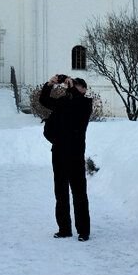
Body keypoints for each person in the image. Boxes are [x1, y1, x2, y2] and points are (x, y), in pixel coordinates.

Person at [39, 73, 93, 241]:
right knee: (60, 193)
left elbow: (77, 104)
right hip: (59, 153)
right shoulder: (63, 103)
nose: (73, 86)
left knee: (79, 194)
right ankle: (64, 229)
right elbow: (44, 101)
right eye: (73, 84)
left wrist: (71, 87)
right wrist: (50, 84)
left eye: (78, 85)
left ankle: (83, 231)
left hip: (75, 155)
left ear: (84, 89)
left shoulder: (85, 104)